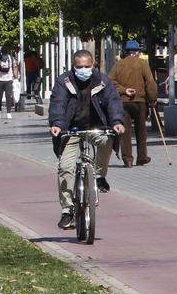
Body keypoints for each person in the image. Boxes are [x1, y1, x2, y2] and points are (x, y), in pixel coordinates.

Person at [48, 48, 126, 230]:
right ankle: (67, 211)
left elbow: (113, 102)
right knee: (66, 168)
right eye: (79, 67)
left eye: (87, 66)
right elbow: (57, 103)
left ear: (93, 66)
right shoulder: (64, 82)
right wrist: (57, 124)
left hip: (97, 128)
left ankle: (99, 176)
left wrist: (116, 122)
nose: (83, 70)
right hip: (71, 130)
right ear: (73, 67)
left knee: (108, 141)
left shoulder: (103, 81)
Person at [109, 40, 158, 167]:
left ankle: (127, 159)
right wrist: (152, 100)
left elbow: (110, 82)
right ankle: (142, 157)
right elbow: (150, 83)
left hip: (123, 102)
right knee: (141, 130)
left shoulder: (118, 65)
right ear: (137, 52)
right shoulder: (142, 64)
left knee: (125, 131)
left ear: (126, 52)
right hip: (140, 101)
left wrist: (123, 90)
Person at [0, 51, 17, 119]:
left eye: (6, 54)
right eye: (4, 54)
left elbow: (15, 67)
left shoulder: (11, 59)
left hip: (8, 80)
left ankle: (8, 112)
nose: (5, 56)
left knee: (8, 96)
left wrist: (15, 76)